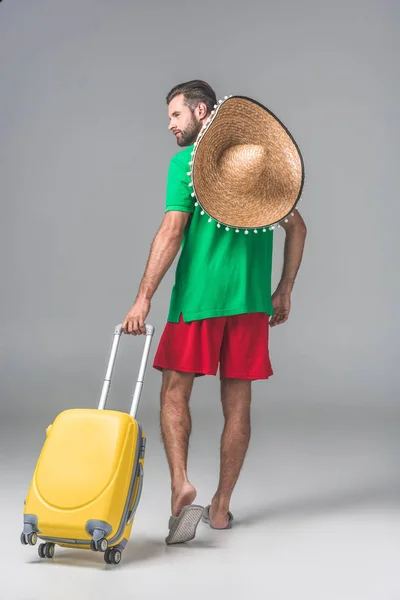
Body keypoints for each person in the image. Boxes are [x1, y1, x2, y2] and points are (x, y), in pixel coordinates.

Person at [122, 80, 307, 544]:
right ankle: (221, 509)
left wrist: (143, 297)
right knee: (238, 404)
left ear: (201, 111)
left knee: (173, 394)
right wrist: (283, 289)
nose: (170, 125)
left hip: (198, 301)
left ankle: (180, 486)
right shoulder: (260, 168)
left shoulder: (186, 165)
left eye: (175, 116)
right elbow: (299, 227)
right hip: (249, 305)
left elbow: (171, 230)